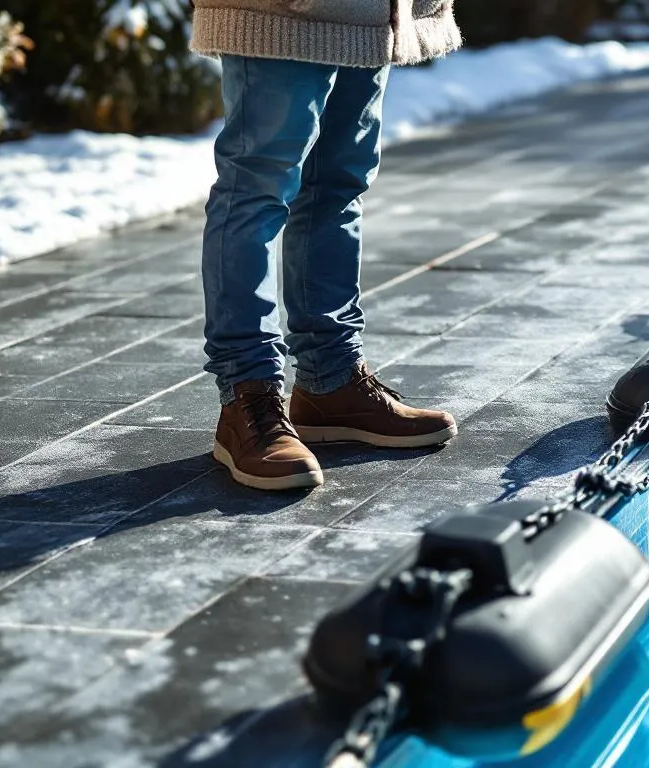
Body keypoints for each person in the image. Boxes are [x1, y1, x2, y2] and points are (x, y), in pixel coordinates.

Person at [190, 1, 461, 491]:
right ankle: (246, 396)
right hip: (277, 11)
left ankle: (330, 381)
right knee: (257, 188)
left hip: (371, 11)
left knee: (336, 187)